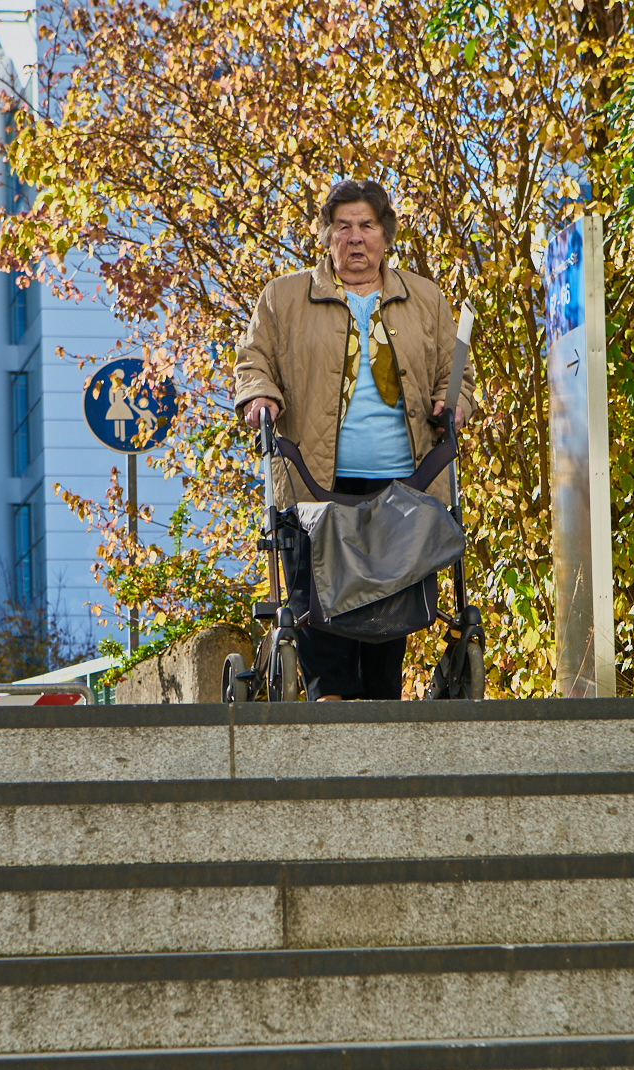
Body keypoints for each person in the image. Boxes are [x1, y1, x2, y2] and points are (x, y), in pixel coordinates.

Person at [234, 179, 475, 700]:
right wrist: (260, 396)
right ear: (326, 236)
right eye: (342, 226)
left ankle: (382, 703)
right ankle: (330, 696)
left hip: (404, 479)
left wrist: (451, 402)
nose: (355, 237)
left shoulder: (425, 298)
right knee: (319, 595)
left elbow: (454, 373)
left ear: (385, 235)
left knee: (390, 597)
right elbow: (254, 361)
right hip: (315, 477)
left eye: (366, 225)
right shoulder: (283, 297)